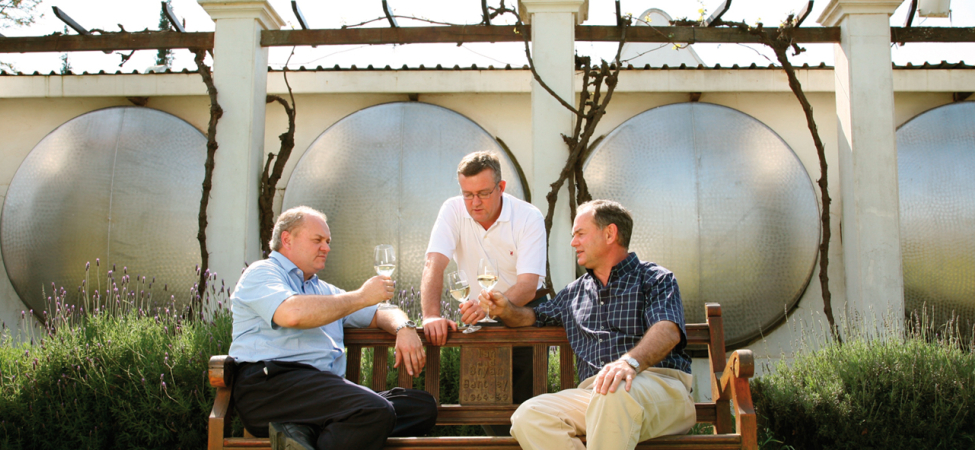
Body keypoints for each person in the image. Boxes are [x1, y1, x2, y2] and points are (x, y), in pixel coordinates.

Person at [466, 199, 696, 450]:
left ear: (610, 233)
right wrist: (505, 309)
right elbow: (532, 318)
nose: (573, 242)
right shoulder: (574, 293)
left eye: (580, 234)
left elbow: (668, 329)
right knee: (529, 416)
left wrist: (628, 363)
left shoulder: (654, 278)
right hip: (595, 395)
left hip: (660, 387)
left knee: (613, 393)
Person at [228, 206, 437, 450]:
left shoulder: (325, 291)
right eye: (317, 240)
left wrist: (405, 326)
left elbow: (380, 312)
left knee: (422, 408)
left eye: (327, 241)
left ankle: (301, 433)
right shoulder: (262, 273)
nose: (326, 247)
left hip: (320, 391)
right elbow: (292, 313)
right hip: (272, 386)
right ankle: (311, 430)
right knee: (375, 411)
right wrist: (360, 296)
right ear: (287, 239)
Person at [419, 151, 547, 434]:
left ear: (501, 188)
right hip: (479, 318)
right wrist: (430, 316)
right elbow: (434, 263)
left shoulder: (528, 217)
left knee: (528, 410)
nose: (474, 203)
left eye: (483, 193)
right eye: (467, 194)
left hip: (525, 314)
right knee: (486, 409)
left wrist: (489, 307)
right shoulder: (452, 210)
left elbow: (528, 284)